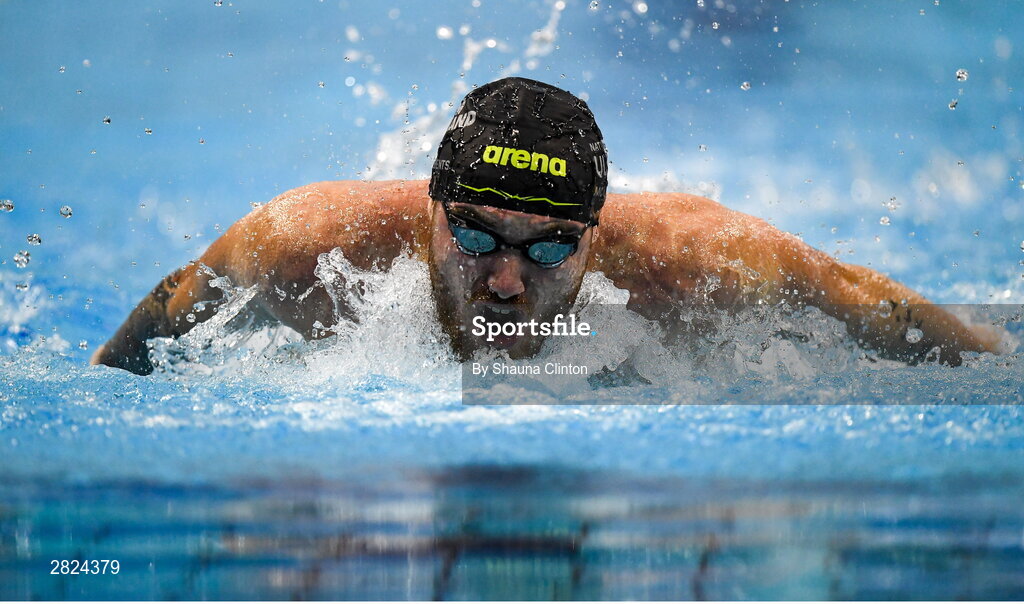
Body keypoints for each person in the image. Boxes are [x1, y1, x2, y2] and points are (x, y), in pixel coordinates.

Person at [91, 77, 1001, 375]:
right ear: (431, 207)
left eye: (552, 246)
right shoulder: (304, 245)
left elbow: (872, 305)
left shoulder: (695, 262)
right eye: (478, 237)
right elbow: (163, 315)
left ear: (596, 235)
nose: (508, 282)